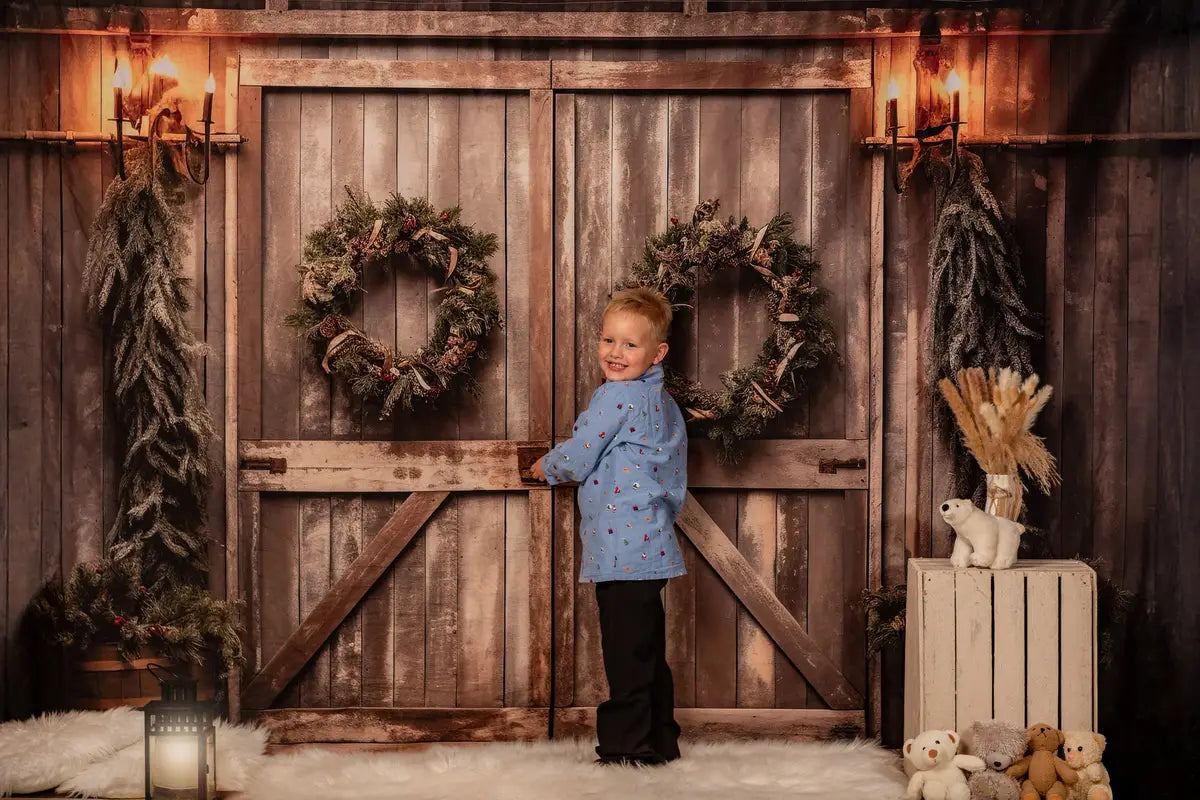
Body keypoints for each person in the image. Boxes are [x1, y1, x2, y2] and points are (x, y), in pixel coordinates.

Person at [532, 286, 688, 766]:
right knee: (646, 651)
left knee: (625, 653)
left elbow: (580, 455)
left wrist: (546, 467)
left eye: (630, 345)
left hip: (624, 551)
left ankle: (626, 748)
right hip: (653, 545)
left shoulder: (617, 397)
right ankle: (660, 739)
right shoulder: (660, 402)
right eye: (608, 340)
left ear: (658, 352)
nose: (615, 353)